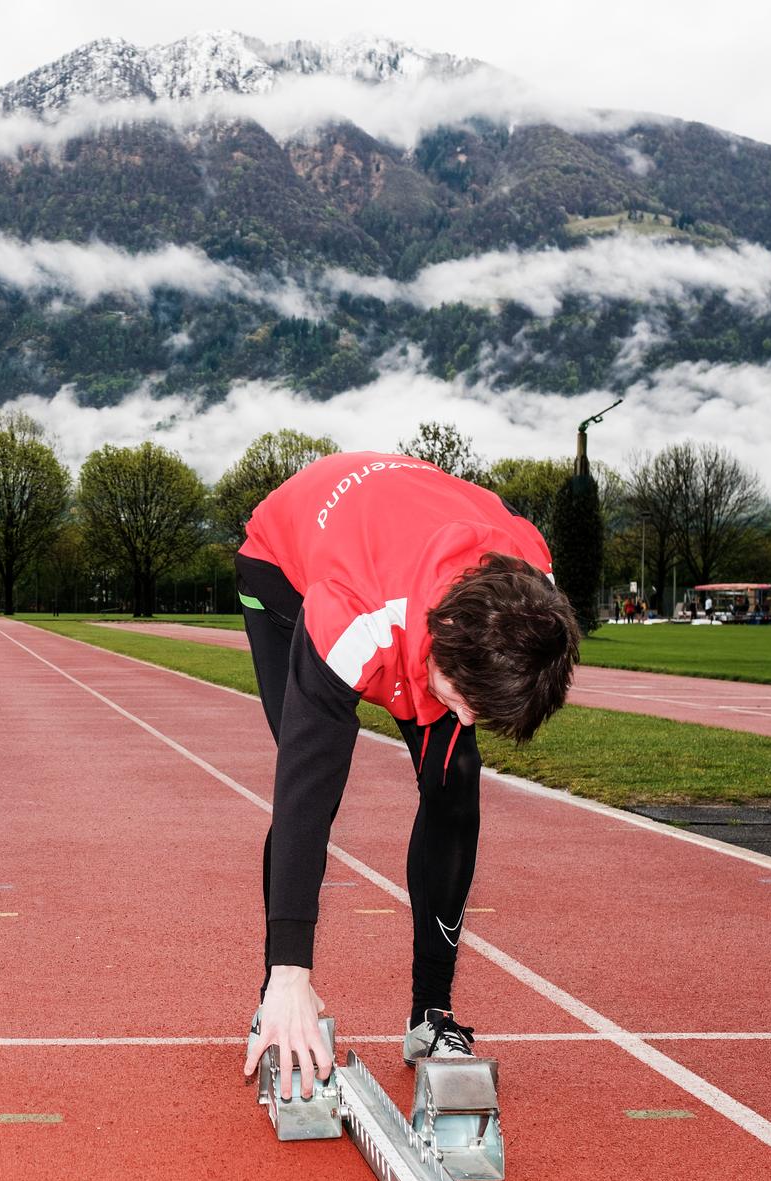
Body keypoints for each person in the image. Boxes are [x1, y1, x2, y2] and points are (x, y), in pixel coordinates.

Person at [234, 452, 579, 1101]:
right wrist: (291, 969)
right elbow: (305, 792)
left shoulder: (531, 583)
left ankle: (431, 1014)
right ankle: (277, 997)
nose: (470, 713)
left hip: (411, 555)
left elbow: (483, 680)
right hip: (284, 564)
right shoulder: (353, 614)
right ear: (441, 635)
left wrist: (464, 698)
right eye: (465, 693)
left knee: (455, 779)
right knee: (307, 784)